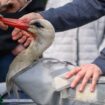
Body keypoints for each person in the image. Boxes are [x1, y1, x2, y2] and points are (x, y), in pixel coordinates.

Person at [11, 0, 105, 93]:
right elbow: (94, 4)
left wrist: (101, 62)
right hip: (57, 66)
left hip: (91, 68)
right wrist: (43, 18)